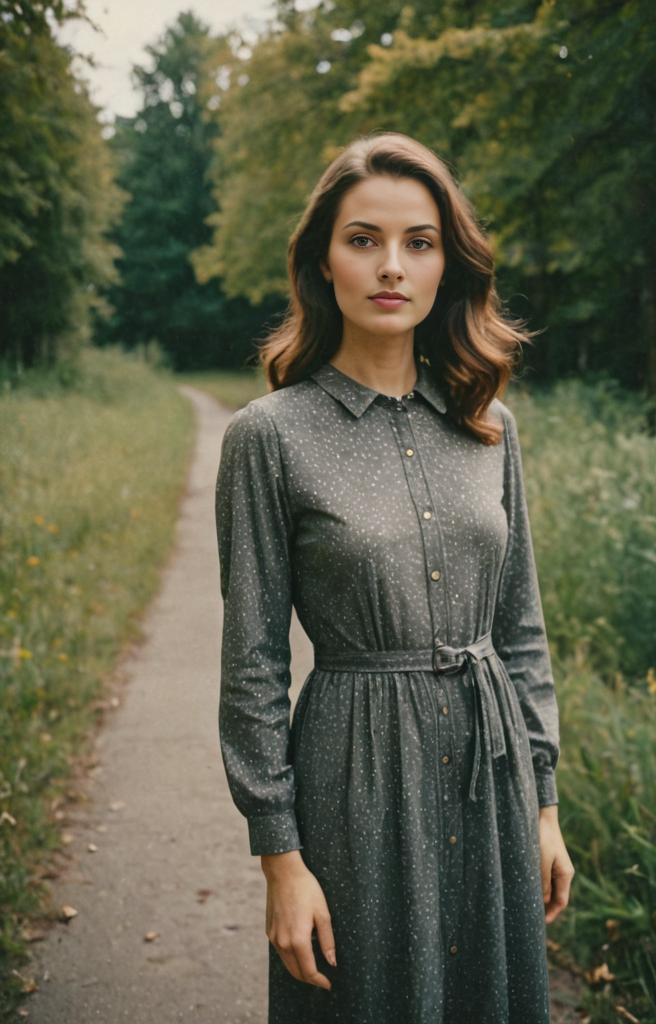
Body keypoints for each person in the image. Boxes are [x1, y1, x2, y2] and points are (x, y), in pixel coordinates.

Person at [214, 131, 574, 1024]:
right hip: (355, 781)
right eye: (362, 238)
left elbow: (520, 627)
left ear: (447, 266)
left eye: (418, 242)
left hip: (491, 779)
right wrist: (280, 858)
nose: (391, 266)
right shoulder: (270, 437)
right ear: (322, 262)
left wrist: (544, 805)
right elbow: (252, 662)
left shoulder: (491, 425)